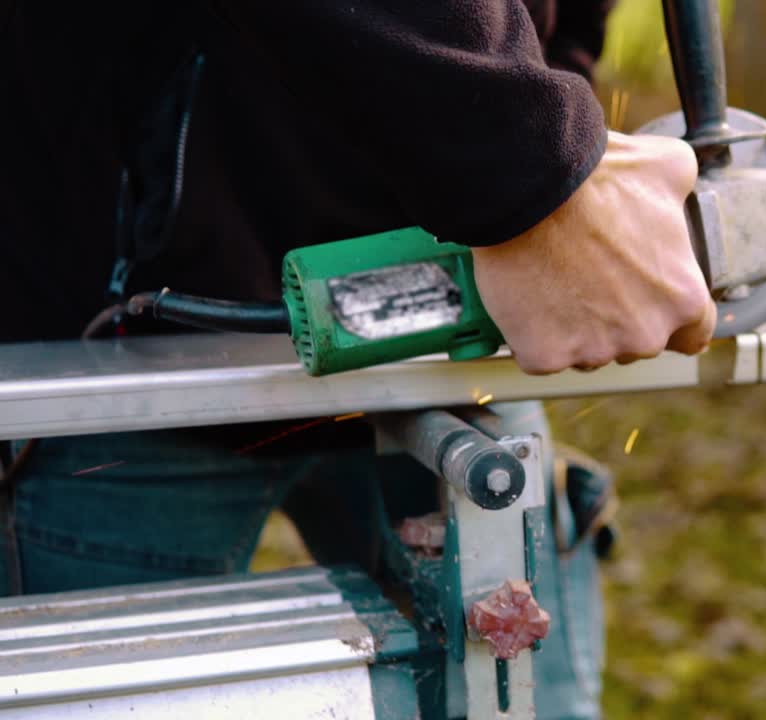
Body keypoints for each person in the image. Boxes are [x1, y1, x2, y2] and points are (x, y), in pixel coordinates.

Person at [0, 1, 715, 717]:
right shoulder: (518, 164)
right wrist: (534, 166)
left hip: (459, 325)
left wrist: (552, 127)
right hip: (128, 363)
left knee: (521, 686)